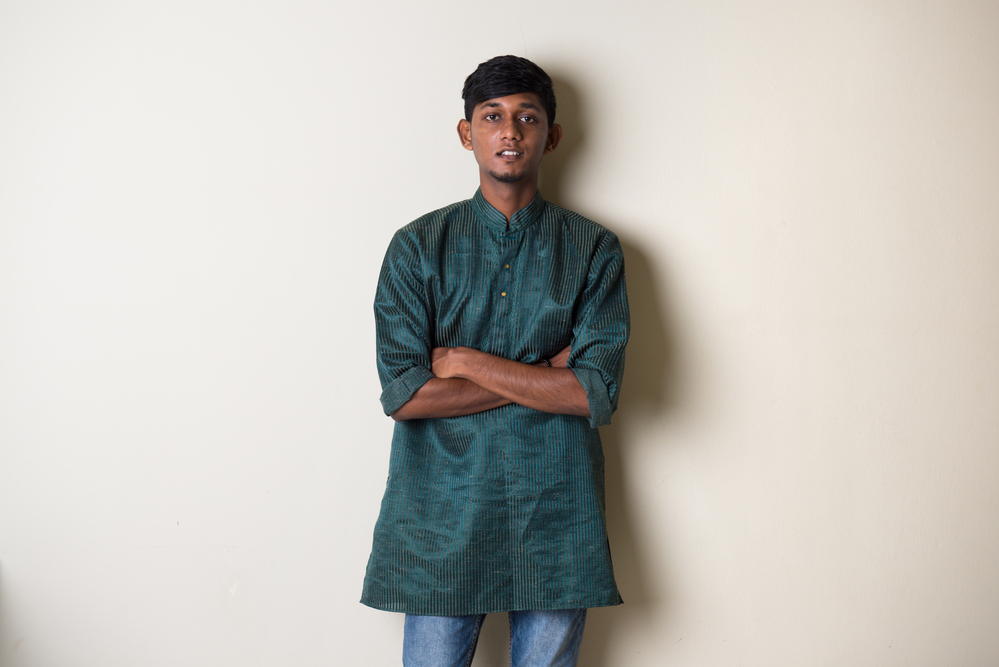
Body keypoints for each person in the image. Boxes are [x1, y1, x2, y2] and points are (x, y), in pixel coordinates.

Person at [361, 55, 630, 667]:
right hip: (441, 515)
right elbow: (405, 396)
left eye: (527, 117)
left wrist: (463, 360)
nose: (510, 131)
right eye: (492, 116)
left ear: (551, 136)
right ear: (467, 133)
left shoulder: (593, 250)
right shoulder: (417, 247)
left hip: (556, 514)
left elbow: (593, 393)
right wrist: (546, 374)